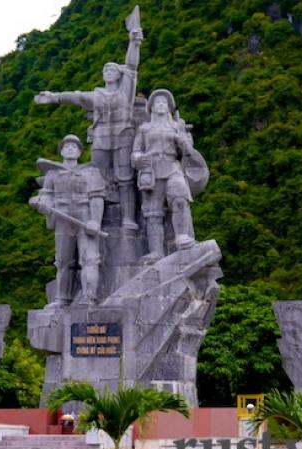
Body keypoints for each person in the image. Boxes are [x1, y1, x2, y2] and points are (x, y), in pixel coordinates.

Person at [34, 24, 143, 231]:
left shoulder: (125, 92)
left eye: (112, 69)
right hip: (101, 137)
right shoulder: (97, 95)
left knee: (125, 178)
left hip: (123, 135)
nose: (109, 72)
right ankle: (98, 216)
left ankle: (129, 218)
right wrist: (53, 97)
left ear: (119, 74)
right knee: (98, 177)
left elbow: (132, 67)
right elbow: (75, 96)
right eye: (105, 69)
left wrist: (134, 42)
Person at [30, 135, 105, 307]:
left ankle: (89, 296)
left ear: (79, 152)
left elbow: (97, 197)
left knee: (90, 258)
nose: (70, 149)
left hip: (84, 214)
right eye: (67, 146)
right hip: (62, 216)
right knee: (63, 261)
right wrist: (43, 204)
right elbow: (46, 195)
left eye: (74, 147)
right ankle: (62, 298)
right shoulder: (52, 174)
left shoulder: (91, 171)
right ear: (62, 151)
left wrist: (96, 221)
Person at [131, 89, 196, 261]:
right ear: (151, 107)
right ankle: (156, 251)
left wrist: (182, 141)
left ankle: (182, 236)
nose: (160, 104)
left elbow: (189, 151)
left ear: (169, 107)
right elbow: (136, 152)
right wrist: (138, 159)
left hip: (172, 166)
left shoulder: (177, 126)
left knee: (180, 196)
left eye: (164, 102)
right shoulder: (144, 129)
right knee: (153, 213)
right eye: (157, 102)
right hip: (151, 170)